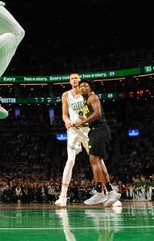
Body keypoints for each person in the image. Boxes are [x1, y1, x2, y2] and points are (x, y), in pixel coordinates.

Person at [73, 80, 120, 207]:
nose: (83, 87)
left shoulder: (92, 97)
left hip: (100, 131)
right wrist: (85, 120)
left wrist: (82, 123)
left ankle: (100, 192)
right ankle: (110, 192)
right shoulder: (86, 100)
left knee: (94, 159)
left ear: (90, 88)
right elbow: (94, 117)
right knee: (97, 161)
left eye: (86, 86)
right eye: (81, 86)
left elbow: (98, 114)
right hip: (96, 130)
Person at [55, 72, 89, 207]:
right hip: (73, 130)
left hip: (86, 129)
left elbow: (92, 111)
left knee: (96, 159)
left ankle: (107, 192)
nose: (74, 80)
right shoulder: (65, 95)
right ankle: (62, 196)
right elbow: (64, 115)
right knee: (70, 160)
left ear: (80, 80)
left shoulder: (86, 93)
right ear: (70, 81)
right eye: (72, 78)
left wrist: (85, 118)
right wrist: (67, 121)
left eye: (76, 78)